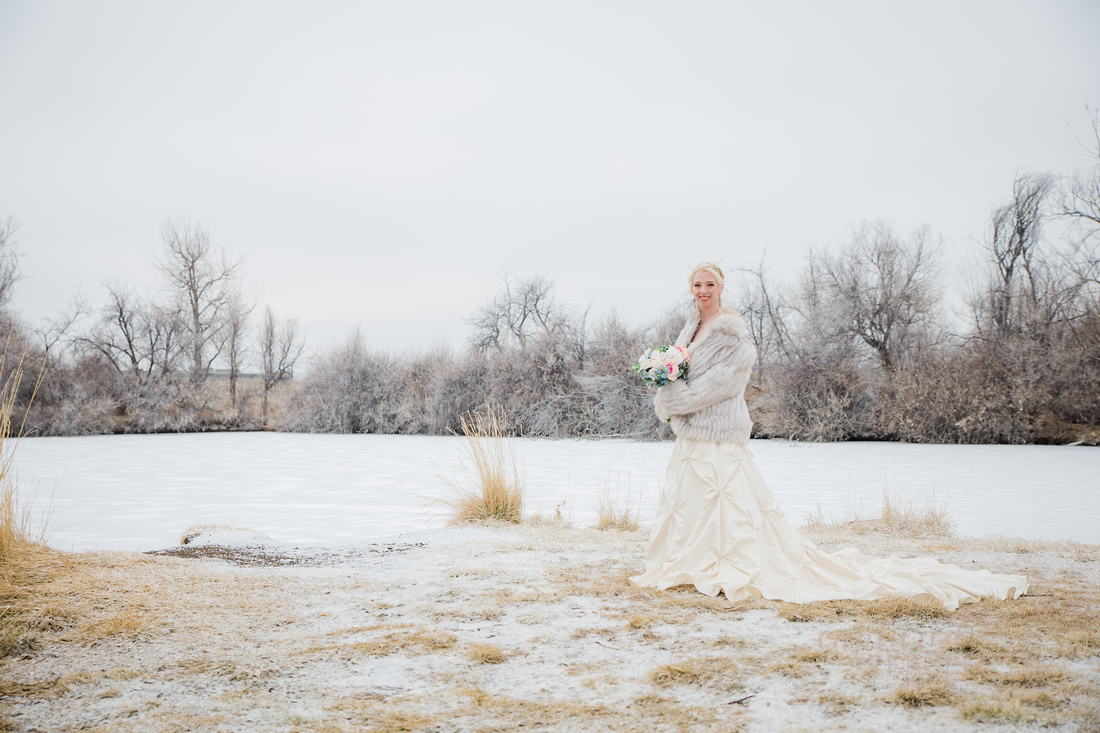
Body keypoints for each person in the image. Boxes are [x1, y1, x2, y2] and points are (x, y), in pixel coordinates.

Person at [629, 263, 1028, 610]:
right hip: (691, 434)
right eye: (697, 285)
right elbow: (682, 370)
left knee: (728, 501)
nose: (703, 292)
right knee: (691, 501)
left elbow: (719, 385)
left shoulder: (733, 336)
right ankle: (691, 560)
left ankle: (730, 564)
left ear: (721, 288)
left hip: (718, 429)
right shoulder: (690, 327)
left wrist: (673, 397)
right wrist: (664, 378)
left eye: (709, 285)